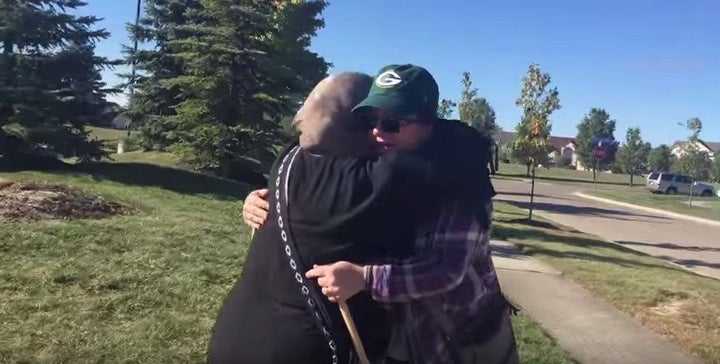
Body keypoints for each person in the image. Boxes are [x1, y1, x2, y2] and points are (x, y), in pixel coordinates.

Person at [245, 64, 519, 364]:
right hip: (405, 335)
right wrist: (264, 199)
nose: (376, 130)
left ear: (428, 122)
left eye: (391, 122)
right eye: (368, 120)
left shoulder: (456, 179)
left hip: (463, 336)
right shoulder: (380, 163)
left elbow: (446, 270)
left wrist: (365, 278)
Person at [207, 72, 437, 364]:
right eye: (370, 120)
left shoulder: (287, 160)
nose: (379, 131)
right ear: (355, 123)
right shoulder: (380, 179)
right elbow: (451, 153)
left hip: (234, 333)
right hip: (301, 348)